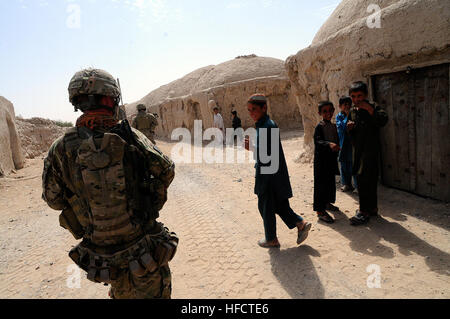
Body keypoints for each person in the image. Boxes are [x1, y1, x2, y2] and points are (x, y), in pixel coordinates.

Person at [42, 68, 178, 299]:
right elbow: (166, 171)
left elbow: (53, 200)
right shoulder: (131, 136)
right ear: (110, 99)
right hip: (144, 247)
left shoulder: (61, 147)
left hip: (103, 257)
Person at [244, 94, 311, 248]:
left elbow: (269, 154)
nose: (251, 113)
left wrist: (251, 148)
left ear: (264, 108)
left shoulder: (267, 126)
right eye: (249, 110)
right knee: (278, 204)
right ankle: (300, 223)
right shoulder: (264, 124)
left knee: (266, 206)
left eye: (254, 109)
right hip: (272, 173)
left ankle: (271, 239)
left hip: (268, 175)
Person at [347, 81, 389, 226]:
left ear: (365, 95)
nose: (356, 99)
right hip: (358, 152)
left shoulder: (373, 107)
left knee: (367, 181)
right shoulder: (353, 111)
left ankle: (364, 212)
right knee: (363, 180)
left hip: (370, 151)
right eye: (353, 96)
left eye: (359, 96)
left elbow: (383, 120)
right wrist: (350, 129)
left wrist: (370, 110)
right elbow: (352, 133)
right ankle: (371, 208)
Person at [313, 101, 341, 224]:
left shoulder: (333, 126)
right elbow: (318, 142)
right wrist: (329, 144)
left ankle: (327, 203)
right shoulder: (320, 127)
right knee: (320, 185)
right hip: (321, 162)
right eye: (325, 111)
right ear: (320, 113)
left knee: (330, 183)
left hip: (330, 161)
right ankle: (320, 211)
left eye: (330, 110)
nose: (328, 113)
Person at [336, 96, 357, 193]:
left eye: (349, 104)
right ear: (340, 106)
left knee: (354, 165)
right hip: (343, 144)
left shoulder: (354, 115)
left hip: (352, 145)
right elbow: (342, 127)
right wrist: (347, 119)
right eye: (345, 105)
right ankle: (346, 184)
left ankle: (357, 186)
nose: (347, 106)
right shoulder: (339, 116)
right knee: (344, 165)